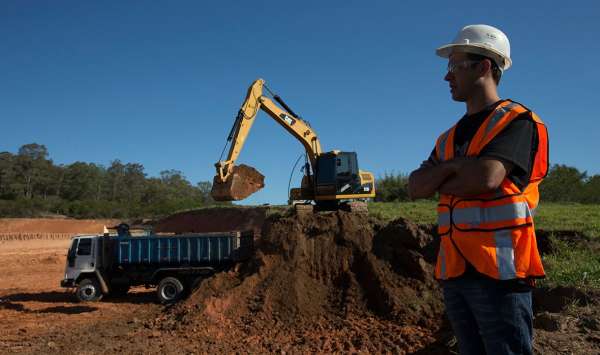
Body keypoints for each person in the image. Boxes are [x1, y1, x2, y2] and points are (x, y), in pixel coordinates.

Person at [408, 24, 549, 355]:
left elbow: (486, 177)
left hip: (499, 277)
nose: (447, 77)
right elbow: (416, 186)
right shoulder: (448, 137)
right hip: (455, 273)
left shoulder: (517, 122)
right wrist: (457, 167)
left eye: (455, 65)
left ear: (484, 66)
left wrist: (444, 176)